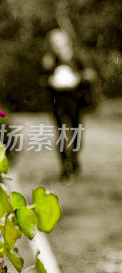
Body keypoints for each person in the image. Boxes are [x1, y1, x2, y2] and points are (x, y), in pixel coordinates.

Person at [42, 28, 96, 180]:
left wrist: (77, 78)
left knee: (76, 133)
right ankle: (65, 167)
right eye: (53, 43)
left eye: (59, 42)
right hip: (57, 102)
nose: (56, 46)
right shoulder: (49, 60)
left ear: (67, 41)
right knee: (61, 134)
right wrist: (50, 79)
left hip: (75, 100)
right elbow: (41, 79)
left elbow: (90, 74)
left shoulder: (77, 57)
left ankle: (74, 160)